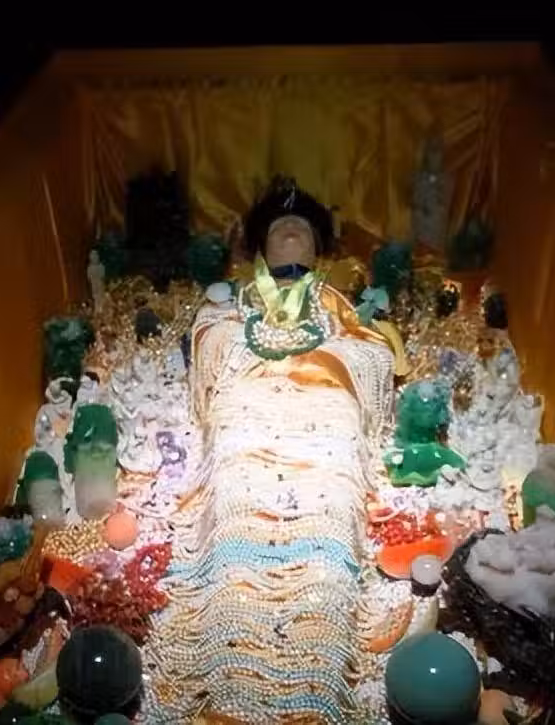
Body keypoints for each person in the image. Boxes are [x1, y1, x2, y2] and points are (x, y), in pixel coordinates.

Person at [144, 179, 403, 723]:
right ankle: (229, 670)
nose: (289, 233)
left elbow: (374, 355)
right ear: (260, 247)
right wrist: (250, 350)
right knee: (235, 496)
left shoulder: (334, 302)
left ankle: (319, 668)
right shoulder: (235, 302)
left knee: (331, 509)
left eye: (301, 229)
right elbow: (208, 342)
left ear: (318, 248)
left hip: (322, 409)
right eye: (279, 228)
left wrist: (323, 356)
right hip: (250, 400)